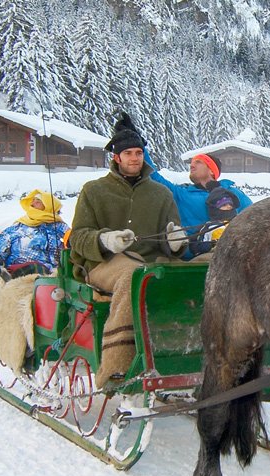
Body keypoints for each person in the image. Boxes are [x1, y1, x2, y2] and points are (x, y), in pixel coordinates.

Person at [67, 114, 185, 383]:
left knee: (197, 270)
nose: (135, 158)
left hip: (153, 261)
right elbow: (78, 237)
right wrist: (105, 241)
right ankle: (116, 367)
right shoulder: (94, 191)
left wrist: (176, 242)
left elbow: (172, 239)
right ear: (116, 158)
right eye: (129, 153)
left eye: (139, 153)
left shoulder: (161, 194)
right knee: (135, 276)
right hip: (104, 265)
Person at [146, 150, 252, 259]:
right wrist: (141, 147)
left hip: (230, 257)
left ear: (212, 170)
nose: (192, 165)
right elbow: (153, 176)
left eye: (198, 162)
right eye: (191, 162)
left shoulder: (233, 193)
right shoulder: (181, 194)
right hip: (193, 259)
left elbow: (254, 218)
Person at [0, 189, 68, 279]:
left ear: (48, 206)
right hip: (23, 271)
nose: (32, 204)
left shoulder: (60, 227)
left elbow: (74, 239)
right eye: (33, 201)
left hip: (55, 273)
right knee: (36, 268)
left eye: (38, 201)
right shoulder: (19, 227)